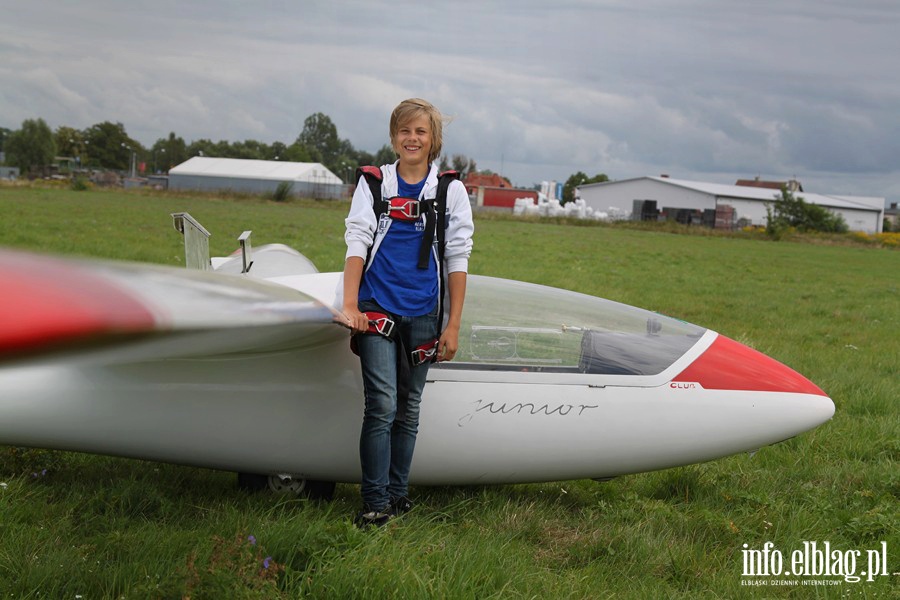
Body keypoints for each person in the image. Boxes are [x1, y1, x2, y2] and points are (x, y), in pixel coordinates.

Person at [340, 98, 474, 527]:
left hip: (423, 313)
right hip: (375, 307)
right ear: (394, 136)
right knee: (380, 403)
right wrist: (348, 304)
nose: (412, 138)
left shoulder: (450, 191)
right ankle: (374, 502)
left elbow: (458, 257)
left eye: (420, 132)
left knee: (409, 406)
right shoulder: (374, 183)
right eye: (404, 131)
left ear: (433, 139)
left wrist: (451, 325)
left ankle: (398, 495)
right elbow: (358, 239)